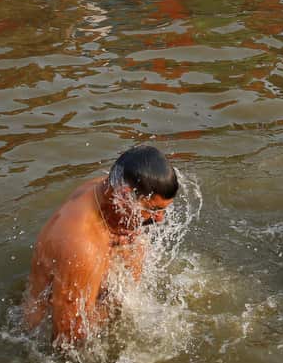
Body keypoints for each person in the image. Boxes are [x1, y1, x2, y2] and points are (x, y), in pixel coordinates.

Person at [24, 146, 179, 348]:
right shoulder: (81, 245)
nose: (160, 219)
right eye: (153, 210)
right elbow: (69, 340)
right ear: (125, 195)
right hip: (42, 342)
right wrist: (117, 303)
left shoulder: (107, 189)